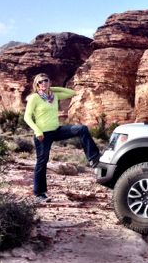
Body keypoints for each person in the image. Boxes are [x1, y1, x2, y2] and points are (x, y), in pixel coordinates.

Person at [23, 73, 100, 203]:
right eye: (40, 82)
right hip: (43, 134)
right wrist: (37, 131)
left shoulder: (53, 96)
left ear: (49, 82)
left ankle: (94, 159)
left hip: (56, 130)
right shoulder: (34, 98)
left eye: (45, 81)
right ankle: (39, 193)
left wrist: (51, 89)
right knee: (42, 162)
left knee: (82, 129)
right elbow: (27, 117)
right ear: (36, 85)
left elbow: (72, 92)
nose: (43, 84)